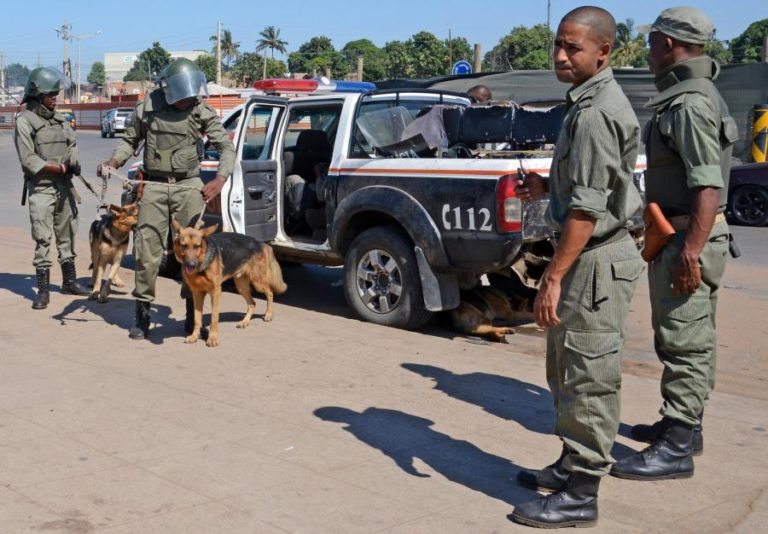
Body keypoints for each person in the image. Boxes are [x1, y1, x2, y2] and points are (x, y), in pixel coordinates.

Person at [509, 6, 644, 528]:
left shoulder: (595, 112)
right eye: (558, 46)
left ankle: (582, 492)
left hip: (593, 263)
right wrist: (546, 188)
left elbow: (589, 211)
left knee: (588, 375)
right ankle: (571, 463)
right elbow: (588, 188)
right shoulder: (585, 103)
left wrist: (555, 275)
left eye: (573, 48)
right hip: (587, 257)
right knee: (565, 368)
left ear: (604, 51)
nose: (561, 56)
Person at [610, 7, 737, 480]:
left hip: (689, 234)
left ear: (669, 44)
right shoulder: (693, 94)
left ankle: (678, 446)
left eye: (651, 43)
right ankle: (683, 426)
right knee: (689, 335)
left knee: (684, 340)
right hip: (685, 231)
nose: (647, 52)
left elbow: (707, 186)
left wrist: (690, 251)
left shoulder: (688, 103)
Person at [98, 58, 235, 340]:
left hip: (189, 188)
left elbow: (225, 146)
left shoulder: (200, 108)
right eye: (183, 95)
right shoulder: (147, 107)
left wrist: (220, 179)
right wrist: (114, 161)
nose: (189, 100)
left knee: (193, 255)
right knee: (147, 254)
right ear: (170, 90)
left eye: (192, 94)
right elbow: (129, 141)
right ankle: (143, 315)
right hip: (155, 187)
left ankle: (191, 315)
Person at [14, 67, 90, 310]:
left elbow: (72, 143)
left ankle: (69, 281)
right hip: (43, 188)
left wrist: (74, 162)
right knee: (43, 238)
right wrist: (58, 168)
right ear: (37, 95)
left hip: (64, 188)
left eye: (56, 94)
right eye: (51, 95)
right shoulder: (24, 122)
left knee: (67, 233)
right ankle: (43, 290)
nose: (55, 98)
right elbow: (28, 159)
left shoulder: (59, 119)